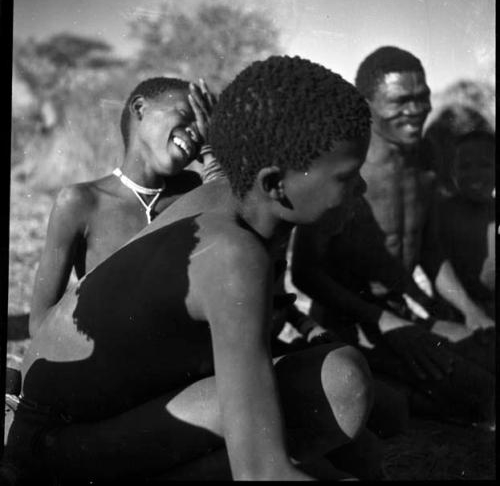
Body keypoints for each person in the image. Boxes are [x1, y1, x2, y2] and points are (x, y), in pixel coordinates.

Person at [2, 55, 375, 483]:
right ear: (274, 184)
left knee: (348, 410)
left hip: (102, 418)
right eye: (347, 177)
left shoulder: (227, 193)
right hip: (56, 443)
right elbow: (262, 473)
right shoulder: (232, 254)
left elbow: (223, 164)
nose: (361, 188)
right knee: (342, 386)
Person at [292, 46, 495, 428]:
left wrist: (470, 310)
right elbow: (305, 272)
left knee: (488, 352)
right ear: (366, 104)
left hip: (404, 316)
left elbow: (430, 249)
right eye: (401, 101)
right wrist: (384, 322)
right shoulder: (340, 165)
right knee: (481, 391)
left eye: (423, 97)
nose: (416, 110)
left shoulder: (426, 155)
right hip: (351, 321)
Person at [28, 76, 217, 337]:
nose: (197, 131)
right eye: (186, 114)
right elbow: (40, 321)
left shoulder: (193, 192)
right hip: (109, 362)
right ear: (140, 108)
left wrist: (211, 150)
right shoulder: (81, 202)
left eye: (204, 125)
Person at [438, 130, 495, 316]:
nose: (475, 174)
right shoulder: (444, 214)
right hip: (460, 311)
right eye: (465, 166)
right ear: (452, 171)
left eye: (485, 165)